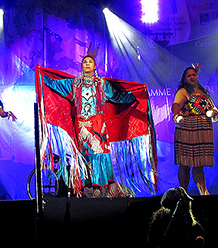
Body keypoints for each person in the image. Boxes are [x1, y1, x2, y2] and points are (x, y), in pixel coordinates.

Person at [35, 51, 158, 197]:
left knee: (100, 154)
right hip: (81, 125)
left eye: (90, 62)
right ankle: (88, 186)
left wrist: (134, 96)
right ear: (82, 66)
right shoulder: (74, 83)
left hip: (98, 125)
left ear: (95, 66)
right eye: (84, 62)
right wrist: (41, 74)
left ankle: (101, 187)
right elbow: (55, 84)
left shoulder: (102, 84)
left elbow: (117, 96)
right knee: (84, 155)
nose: (87, 63)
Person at [172, 65, 217, 195]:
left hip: (203, 129)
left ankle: (204, 192)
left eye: (194, 75)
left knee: (199, 163)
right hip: (188, 128)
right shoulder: (183, 91)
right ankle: (183, 193)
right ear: (184, 78)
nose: (192, 77)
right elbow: (176, 106)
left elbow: (212, 107)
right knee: (185, 163)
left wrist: (214, 112)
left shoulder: (202, 92)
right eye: (189, 75)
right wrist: (177, 116)